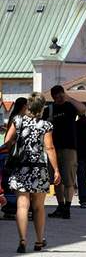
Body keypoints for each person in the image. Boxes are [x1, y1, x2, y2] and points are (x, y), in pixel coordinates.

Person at [3, 93, 61, 253]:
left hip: (20, 167)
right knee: (38, 207)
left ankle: (22, 240)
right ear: (42, 108)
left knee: (22, 205)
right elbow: (49, 148)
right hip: (38, 169)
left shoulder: (17, 120)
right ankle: (39, 241)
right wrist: (56, 169)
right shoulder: (45, 125)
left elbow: (7, 142)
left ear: (28, 106)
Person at [43, 85, 86, 219]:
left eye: (62, 95)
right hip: (54, 148)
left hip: (69, 147)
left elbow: (83, 109)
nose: (60, 98)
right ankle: (60, 206)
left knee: (69, 180)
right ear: (53, 97)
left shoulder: (70, 107)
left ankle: (67, 207)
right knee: (57, 180)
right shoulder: (49, 110)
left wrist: (68, 98)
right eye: (57, 96)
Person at [1, 98, 28, 213]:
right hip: (15, 154)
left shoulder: (14, 117)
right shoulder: (19, 119)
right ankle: (15, 204)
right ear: (24, 106)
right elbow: (10, 140)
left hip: (10, 153)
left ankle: (11, 203)